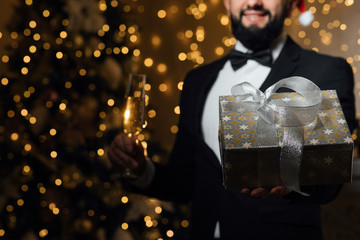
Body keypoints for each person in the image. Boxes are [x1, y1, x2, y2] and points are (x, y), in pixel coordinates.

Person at [107, 0, 357, 239]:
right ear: (227, 3)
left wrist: (291, 180)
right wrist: (141, 170)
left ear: (291, 3)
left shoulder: (326, 70)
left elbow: (329, 179)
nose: (253, 2)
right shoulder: (196, 80)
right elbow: (184, 181)